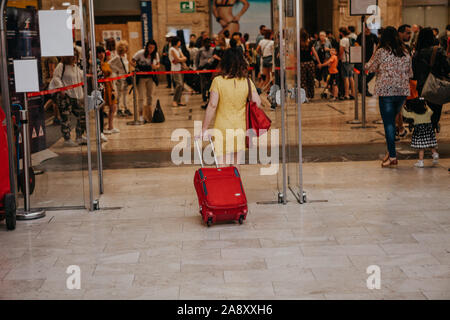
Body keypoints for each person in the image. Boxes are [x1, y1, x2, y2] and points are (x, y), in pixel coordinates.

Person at [200, 47, 261, 170]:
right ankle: (235, 188)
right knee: (236, 164)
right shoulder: (247, 81)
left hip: (222, 127)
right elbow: (257, 102)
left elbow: (212, 105)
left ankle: (225, 188)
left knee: (222, 164)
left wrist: (204, 128)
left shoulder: (218, 81)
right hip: (240, 126)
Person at [366, 26, 413, 168]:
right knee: (392, 121)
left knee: (389, 124)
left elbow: (370, 67)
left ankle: (392, 157)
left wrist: (367, 64)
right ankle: (389, 152)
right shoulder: (405, 52)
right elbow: (410, 73)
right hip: (402, 91)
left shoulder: (381, 52)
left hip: (386, 92)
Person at [413, 27, 450, 134]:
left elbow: (413, 71)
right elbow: (447, 67)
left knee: (424, 109)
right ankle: (433, 127)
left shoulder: (417, 53)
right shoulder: (438, 51)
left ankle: (424, 131)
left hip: (421, 86)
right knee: (436, 108)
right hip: (436, 84)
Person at [50, 50, 86, 147]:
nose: (74, 57)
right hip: (65, 96)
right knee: (66, 118)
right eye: (72, 55)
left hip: (75, 97)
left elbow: (81, 77)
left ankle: (79, 136)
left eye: (76, 55)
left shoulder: (76, 67)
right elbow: (56, 77)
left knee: (82, 114)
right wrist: (61, 88)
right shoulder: (61, 66)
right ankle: (67, 139)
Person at [402, 101, 438, 168]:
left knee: (421, 148)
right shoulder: (428, 112)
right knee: (431, 144)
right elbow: (431, 111)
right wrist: (426, 105)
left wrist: (402, 106)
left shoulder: (413, 114)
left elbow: (405, 114)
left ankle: (421, 162)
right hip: (428, 131)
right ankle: (435, 154)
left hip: (420, 132)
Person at [131, 40, 161, 122]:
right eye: (150, 47)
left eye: (153, 48)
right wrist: (137, 67)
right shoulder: (140, 53)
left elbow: (158, 64)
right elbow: (132, 61)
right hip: (140, 77)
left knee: (150, 96)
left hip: (150, 77)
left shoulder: (155, 54)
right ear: (147, 47)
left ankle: (148, 114)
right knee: (140, 97)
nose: (151, 49)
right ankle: (140, 115)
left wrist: (155, 66)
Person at [109, 40, 132, 118]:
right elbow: (110, 64)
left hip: (125, 77)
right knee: (118, 94)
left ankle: (126, 108)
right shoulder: (117, 57)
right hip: (119, 78)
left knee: (125, 94)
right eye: (124, 48)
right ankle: (118, 109)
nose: (126, 49)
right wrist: (117, 71)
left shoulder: (125, 56)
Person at [100, 49, 119, 135]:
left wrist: (113, 89)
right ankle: (101, 129)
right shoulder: (96, 64)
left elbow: (110, 76)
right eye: (99, 53)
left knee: (113, 106)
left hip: (109, 86)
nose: (101, 55)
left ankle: (110, 126)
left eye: (102, 53)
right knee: (102, 108)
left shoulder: (106, 64)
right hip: (102, 87)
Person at [356, 26, 379, 96]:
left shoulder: (373, 36)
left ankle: (361, 86)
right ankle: (364, 90)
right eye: (366, 28)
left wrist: (376, 52)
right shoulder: (361, 35)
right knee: (363, 74)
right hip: (362, 58)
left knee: (372, 73)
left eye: (368, 28)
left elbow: (378, 44)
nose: (367, 29)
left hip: (370, 58)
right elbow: (356, 43)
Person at [300, 28, 321, 100]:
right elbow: (315, 53)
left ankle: (304, 96)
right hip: (310, 63)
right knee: (311, 79)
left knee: (303, 81)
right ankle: (310, 95)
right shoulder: (310, 43)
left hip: (301, 63)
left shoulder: (298, 43)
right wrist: (319, 62)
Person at [169, 36, 188, 108]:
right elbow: (176, 59)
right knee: (179, 84)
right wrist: (182, 59)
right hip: (175, 69)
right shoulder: (172, 49)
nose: (180, 43)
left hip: (181, 69)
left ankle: (179, 100)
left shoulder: (179, 49)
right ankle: (174, 100)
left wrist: (181, 59)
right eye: (179, 41)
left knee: (181, 85)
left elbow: (184, 58)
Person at [339, 27, 356, 100]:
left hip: (345, 59)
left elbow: (341, 50)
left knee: (346, 77)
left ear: (341, 33)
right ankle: (353, 93)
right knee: (351, 77)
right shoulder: (350, 39)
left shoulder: (343, 40)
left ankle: (346, 94)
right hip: (351, 58)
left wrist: (339, 58)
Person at [196, 38, 215, 103]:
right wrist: (197, 68)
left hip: (210, 67)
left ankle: (210, 96)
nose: (208, 44)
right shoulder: (200, 50)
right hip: (202, 67)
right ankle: (204, 96)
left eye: (209, 43)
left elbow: (213, 57)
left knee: (210, 83)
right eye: (207, 43)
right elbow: (197, 59)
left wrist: (210, 61)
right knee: (203, 83)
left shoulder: (212, 49)